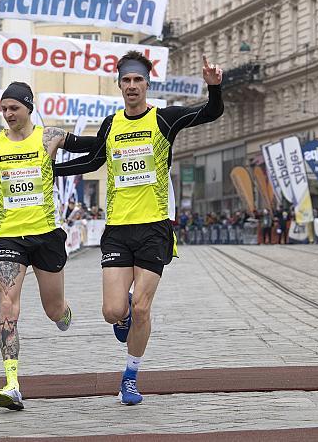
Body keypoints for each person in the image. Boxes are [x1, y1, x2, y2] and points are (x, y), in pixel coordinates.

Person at [54, 51, 223, 405]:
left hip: (153, 229)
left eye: (138, 80)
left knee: (144, 309)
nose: (132, 86)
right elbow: (93, 159)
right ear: (119, 85)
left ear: (147, 84)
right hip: (117, 229)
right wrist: (51, 170)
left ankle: (130, 377)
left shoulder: (163, 120)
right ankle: (125, 311)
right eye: (126, 80)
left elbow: (211, 112)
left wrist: (214, 88)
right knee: (113, 312)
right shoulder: (111, 124)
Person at [0, 81, 95, 411]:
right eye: (4, 108)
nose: (8, 114)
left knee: (53, 310)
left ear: (29, 107)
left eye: (14, 108)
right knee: (7, 306)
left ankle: (63, 311)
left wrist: (63, 167)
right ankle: (11, 384)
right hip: (9, 237)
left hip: (46, 236)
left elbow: (93, 148)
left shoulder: (49, 136)